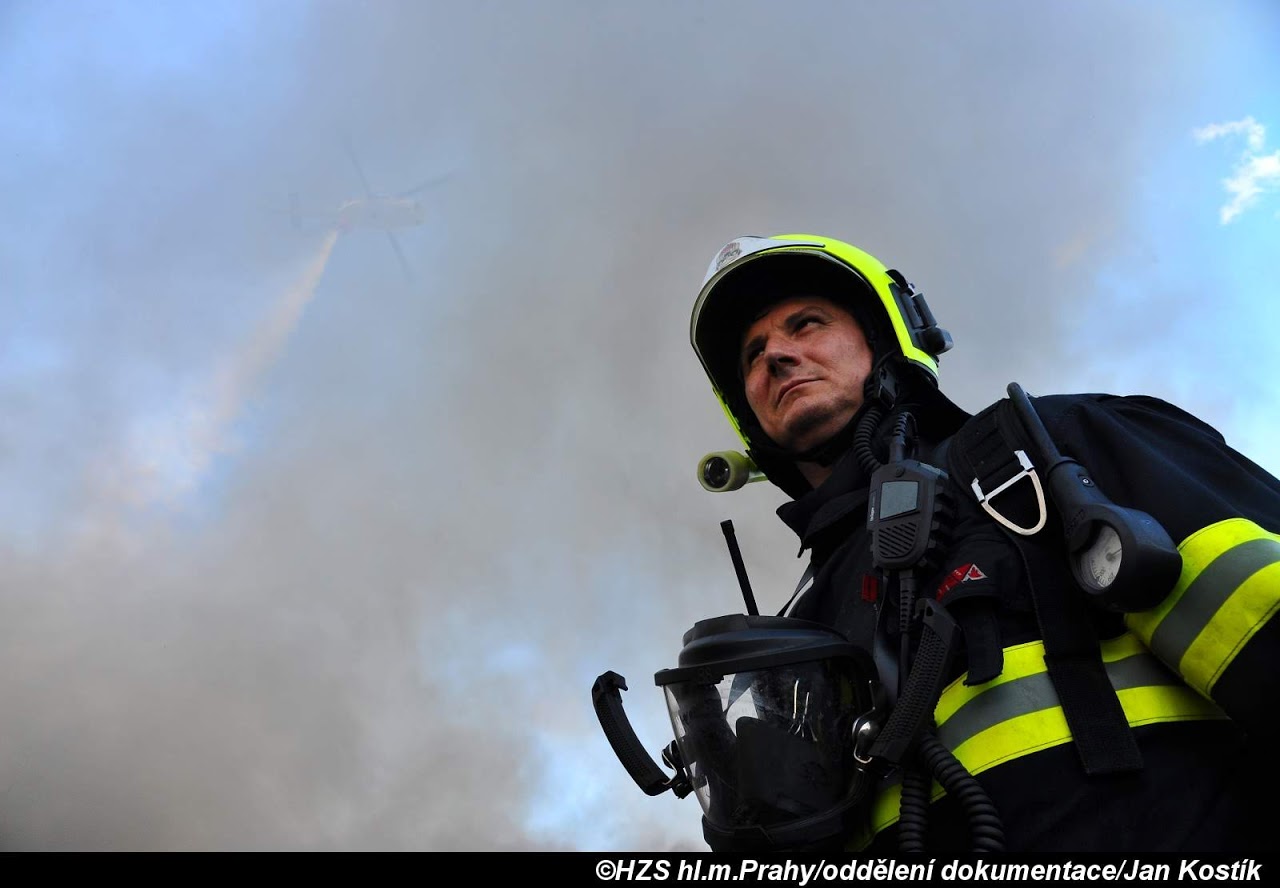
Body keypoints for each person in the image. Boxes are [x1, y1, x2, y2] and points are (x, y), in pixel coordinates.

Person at [687, 233, 1280, 852]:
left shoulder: (1045, 452)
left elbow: (1262, 608)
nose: (776, 356)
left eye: (806, 324)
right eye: (753, 354)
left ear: (886, 338)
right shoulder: (802, 628)